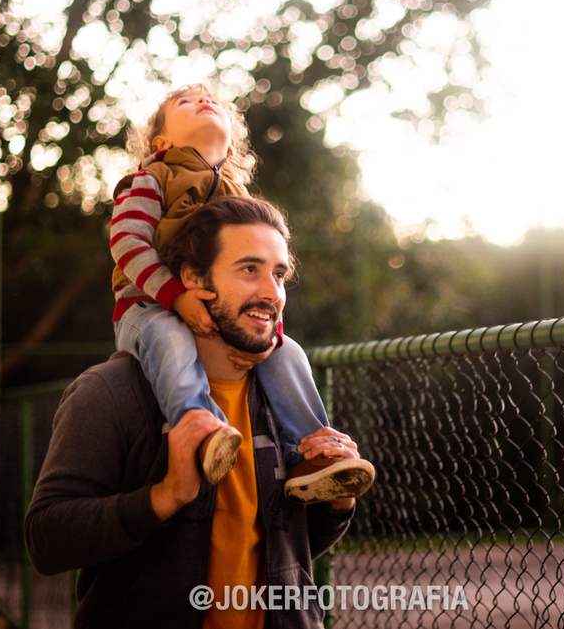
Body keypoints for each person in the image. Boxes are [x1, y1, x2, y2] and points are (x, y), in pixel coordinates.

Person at [26, 197, 364, 628]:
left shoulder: (284, 395)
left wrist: (337, 502)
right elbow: (46, 540)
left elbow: (286, 550)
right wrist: (164, 497)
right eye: (249, 269)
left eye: (279, 274)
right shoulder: (109, 393)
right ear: (191, 278)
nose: (271, 291)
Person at [109, 83, 372, 502]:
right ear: (161, 142)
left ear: (231, 147)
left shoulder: (240, 200)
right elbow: (126, 242)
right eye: (186, 102)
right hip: (145, 309)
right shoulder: (152, 178)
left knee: (289, 353)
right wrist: (176, 296)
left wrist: (269, 337)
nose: (204, 101)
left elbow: (263, 280)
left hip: (209, 304)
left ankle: (311, 453)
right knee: (170, 337)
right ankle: (202, 431)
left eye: (212, 101)